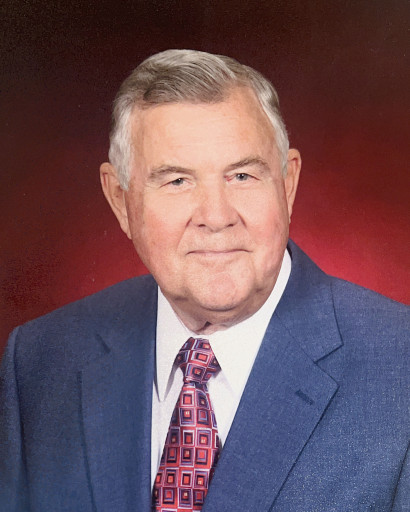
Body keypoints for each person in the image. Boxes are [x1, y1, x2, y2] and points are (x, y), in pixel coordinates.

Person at [0, 49, 408, 512]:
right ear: (120, 200)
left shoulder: (400, 367)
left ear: (288, 184)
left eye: (242, 175)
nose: (216, 217)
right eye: (177, 181)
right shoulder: (39, 361)